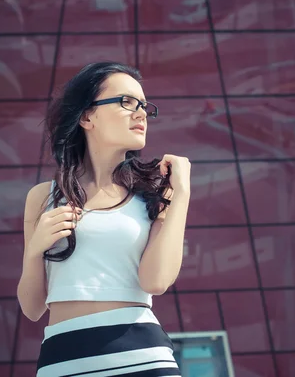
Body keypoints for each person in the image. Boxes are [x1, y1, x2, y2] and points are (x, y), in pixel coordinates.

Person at [17, 62, 190, 376]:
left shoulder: (152, 193)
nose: (140, 113)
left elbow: (156, 281)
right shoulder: (43, 197)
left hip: (141, 355)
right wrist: (34, 252)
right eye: (126, 102)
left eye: (144, 107)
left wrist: (182, 194)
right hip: (62, 358)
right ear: (87, 116)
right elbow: (32, 309)